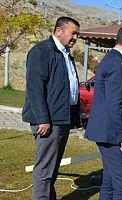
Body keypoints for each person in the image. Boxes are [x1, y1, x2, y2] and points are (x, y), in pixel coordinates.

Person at [22, 16, 81, 200]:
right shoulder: (41, 51)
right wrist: (43, 119)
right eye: (73, 33)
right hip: (49, 120)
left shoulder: (65, 54)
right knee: (45, 168)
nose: (75, 38)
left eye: (77, 34)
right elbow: (35, 87)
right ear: (58, 31)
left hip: (62, 118)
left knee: (53, 167)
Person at [84, 25, 122, 200]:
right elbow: (114, 104)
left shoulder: (112, 60)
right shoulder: (116, 64)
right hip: (113, 136)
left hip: (109, 134)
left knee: (109, 184)